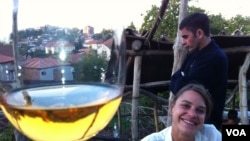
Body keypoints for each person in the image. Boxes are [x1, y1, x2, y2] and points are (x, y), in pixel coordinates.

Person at [169, 12, 228, 130]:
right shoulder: (194, 53)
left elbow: (180, 89)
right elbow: (173, 80)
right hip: (191, 123)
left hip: (205, 126)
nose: (183, 42)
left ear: (199, 33)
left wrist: (182, 77)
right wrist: (181, 78)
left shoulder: (214, 58)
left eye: (185, 37)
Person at [141, 83, 221, 141]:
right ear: (172, 109)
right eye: (185, 106)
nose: (192, 114)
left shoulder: (211, 135)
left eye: (200, 110)